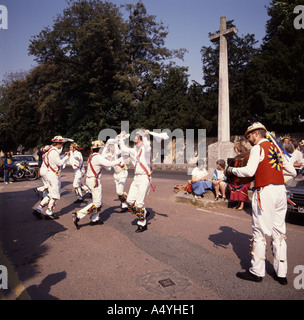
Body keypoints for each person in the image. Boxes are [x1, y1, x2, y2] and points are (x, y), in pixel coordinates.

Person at [226, 122, 297, 285]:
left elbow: (249, 171)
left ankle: (256, 272)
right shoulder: (276, 148)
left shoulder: (258, 148)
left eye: (249, 136)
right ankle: (281, 274)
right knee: (279, 233)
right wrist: (276, 179)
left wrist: (231, 170)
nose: (248, 139)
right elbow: (292, 172)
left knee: (259, 232)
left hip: (265, 192)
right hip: (280, 192)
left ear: (256, 134)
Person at [72, 140, 123, 229]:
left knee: (99, 200)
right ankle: (78, 215)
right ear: (99, 149)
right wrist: (121, 159)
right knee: (97, 203)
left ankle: (95, 219)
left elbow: (106, 167)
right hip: (94, 181)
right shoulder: (98, 157)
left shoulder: (92, 156)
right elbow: (110, 164)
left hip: (90, 179)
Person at [119, 130, 152, 233]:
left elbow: (147, 146)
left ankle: (142, 224)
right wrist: (120, 137)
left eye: (137, 137)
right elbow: (123, 148)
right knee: (129, 201)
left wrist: (144, 136)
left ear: (140, 140)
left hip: (144, 178)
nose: (134, 138)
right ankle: (144, 213)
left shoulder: (146, 151)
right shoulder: (134, 151)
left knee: (139, 203)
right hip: (136, 177)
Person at [32, 136, 70, 220]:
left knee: (50, 194)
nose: (62, 145)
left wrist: (63, 155)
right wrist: (67, 157)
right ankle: (49, 213)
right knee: (55, 195)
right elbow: (59, 163)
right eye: (62, 143)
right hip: (53, 175)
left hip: (50, 174)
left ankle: (38, 209)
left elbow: (55, 160)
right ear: (59, 143)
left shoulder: (50, 151)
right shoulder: (54, 152)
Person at [102, 138, 129, 212]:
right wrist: (106, 146)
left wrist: (116, 141)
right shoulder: (110, 155)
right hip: (116, 174)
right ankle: (124, 205)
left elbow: (117, 151)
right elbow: (103, 155)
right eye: (110, 147)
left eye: (112, 146)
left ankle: (130, 201)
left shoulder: (120, 152)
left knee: (119, 191)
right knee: (119, 191)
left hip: (123, 173)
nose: (111, 148)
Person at [229, 142, 249, 211]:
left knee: (241, 189)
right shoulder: (236, 157)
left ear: (238, 148)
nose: (234, 149)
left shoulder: (243, 156)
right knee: (237, 189)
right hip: (236, 176)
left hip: (241, 176)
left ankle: (242, 205)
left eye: (235, 148)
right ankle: (238, 204)